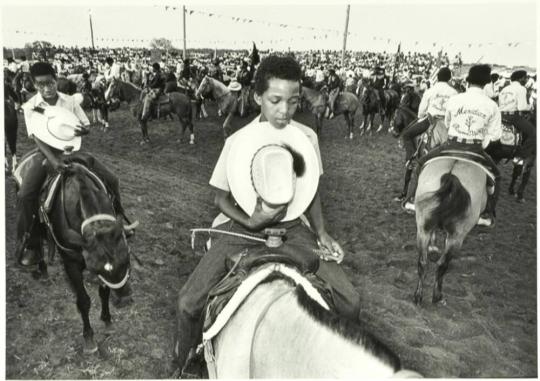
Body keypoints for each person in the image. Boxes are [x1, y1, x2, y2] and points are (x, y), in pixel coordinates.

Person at [174, 55, 361, 376]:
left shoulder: (308, 138)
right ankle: (183, 365)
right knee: (188, 302)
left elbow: (310, 190)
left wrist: (322, 232)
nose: (285, 110)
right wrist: (250, 222)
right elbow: (220, 197)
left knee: (351, 301)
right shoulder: (237, 140)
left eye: (293, 101)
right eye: (275, 100)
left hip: (294, 230)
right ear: (258, 96)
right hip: (242, 229)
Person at [16, 62, 128, 266]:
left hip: (73, 150)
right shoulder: (30, 106)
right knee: (25, 195)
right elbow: (36, 138)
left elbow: (85, 124)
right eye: (40, 84)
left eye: (50, 82)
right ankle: (32, 244)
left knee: (112, 179)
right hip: (46, 153)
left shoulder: (69, 101)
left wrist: (82, 131)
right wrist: (53, 159)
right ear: (34, 84)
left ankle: (119, 219)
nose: (47, 88)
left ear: (55, 78)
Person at [403, 64, 502, 227]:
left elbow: (448, 123)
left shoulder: (455, 99)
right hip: (475, 148)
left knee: (420, 163)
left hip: (451, 143)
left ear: (469, 81)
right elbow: (496, 135)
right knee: (496, 177)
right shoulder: (491, 105)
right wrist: (482, 141)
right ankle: (487, 213)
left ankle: (412, 199)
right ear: (485, 83)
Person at [397, 68, 457, 203]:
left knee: (406, 135)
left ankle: (412, 158)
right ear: (449, 79)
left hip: (430, 120)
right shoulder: (454, 92)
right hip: (447, 125)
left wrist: (421, 117)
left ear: (438, 78)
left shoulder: (431, 91)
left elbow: (421, 111)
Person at [498, 70, 536, 164]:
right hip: (513, 116)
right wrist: (531, 106)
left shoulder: (505, 89)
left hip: (501, 115)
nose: (526, 79)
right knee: (534, 133)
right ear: (521, 78)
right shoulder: (521, 89)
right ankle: (520, 156)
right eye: (525, 77)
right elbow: (522, 107)